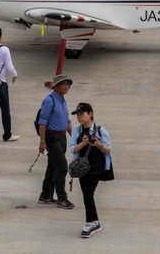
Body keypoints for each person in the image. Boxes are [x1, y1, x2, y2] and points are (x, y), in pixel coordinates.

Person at [69, 103, 112, 238]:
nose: (80, 117)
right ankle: (95, 222)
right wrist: (83, 143)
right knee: (87, 195)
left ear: (90, 114)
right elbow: (72, 149)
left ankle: (89, 223)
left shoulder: (100, 130)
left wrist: (97, 144)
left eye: (82, 114)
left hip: (97, 167)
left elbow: (108, 149)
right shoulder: (77, 131)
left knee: (88, 193)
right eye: (78, 115)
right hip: (82, 167)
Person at [37, 74, 74, 208]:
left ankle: (45, 195)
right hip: (52, 138)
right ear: (56, 86)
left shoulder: (62, 100)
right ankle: (62, 198)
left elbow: (67, 120)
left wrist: (74, 137)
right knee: (62, 167)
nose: (67, 87)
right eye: (64, 84)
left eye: (68, 84)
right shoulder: (49, 101)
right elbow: (42, 123)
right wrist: (42, 142)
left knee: (53, 166)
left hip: (61, 137)